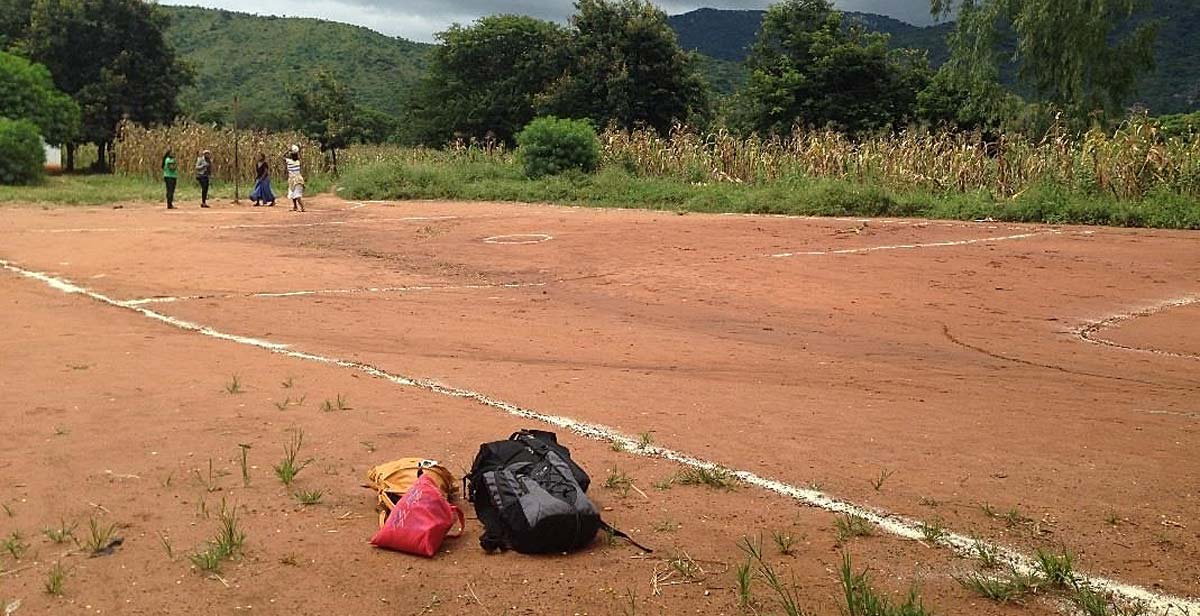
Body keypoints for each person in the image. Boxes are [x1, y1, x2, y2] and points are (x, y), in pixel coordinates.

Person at [285, 146, 305, 212]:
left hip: (294, 180)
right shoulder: (298, 162)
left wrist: (288, 150)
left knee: (297, 195)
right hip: (298, 179)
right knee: (293, 194)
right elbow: (300, 157)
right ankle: (295, 207)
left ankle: (302, 208)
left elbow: (282, 156)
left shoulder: (289, 161)